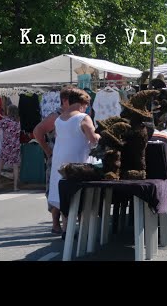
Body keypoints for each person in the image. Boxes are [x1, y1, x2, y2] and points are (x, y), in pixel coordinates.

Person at [47, 88, 101, 240]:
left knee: (65, 195)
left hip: (60, 161)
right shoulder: (83, 117)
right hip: (78, 160)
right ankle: (84, 229)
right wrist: (99, 135)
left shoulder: (59, 119)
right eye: (86, 104)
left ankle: (66, 229)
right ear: (82, 103)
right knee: (80, 194)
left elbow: (59, 138)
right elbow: (93, 139)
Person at [33, 86, 74, 234]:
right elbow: (37, 131)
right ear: (64, 101)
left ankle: (65, 224)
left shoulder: (74, 115)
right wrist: (47, 150)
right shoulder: (55, 116)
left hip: (69, 157)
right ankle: (56, 224)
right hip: (56, 158)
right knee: (55, 189)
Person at [0, 105, 21, 192]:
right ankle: (15, 187)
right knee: (15, 167)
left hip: (6, 146)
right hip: (16, 146)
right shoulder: (18, 122)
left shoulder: (6, 121)